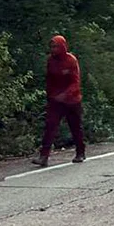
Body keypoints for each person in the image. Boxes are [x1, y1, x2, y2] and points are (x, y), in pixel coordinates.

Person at [32, 35, 85, 167]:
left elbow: (75, 82)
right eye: (51, 47)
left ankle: (80, 152)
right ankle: (43, 156)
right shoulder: (51, 61)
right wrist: (50, 96)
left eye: (55, 46)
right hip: (56, 100)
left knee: (75, 127)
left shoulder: (71, 60)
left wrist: (66, 94)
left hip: (72, 100)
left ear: (62, 47)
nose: (53, 49)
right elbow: (49, 80)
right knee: (50, 126)